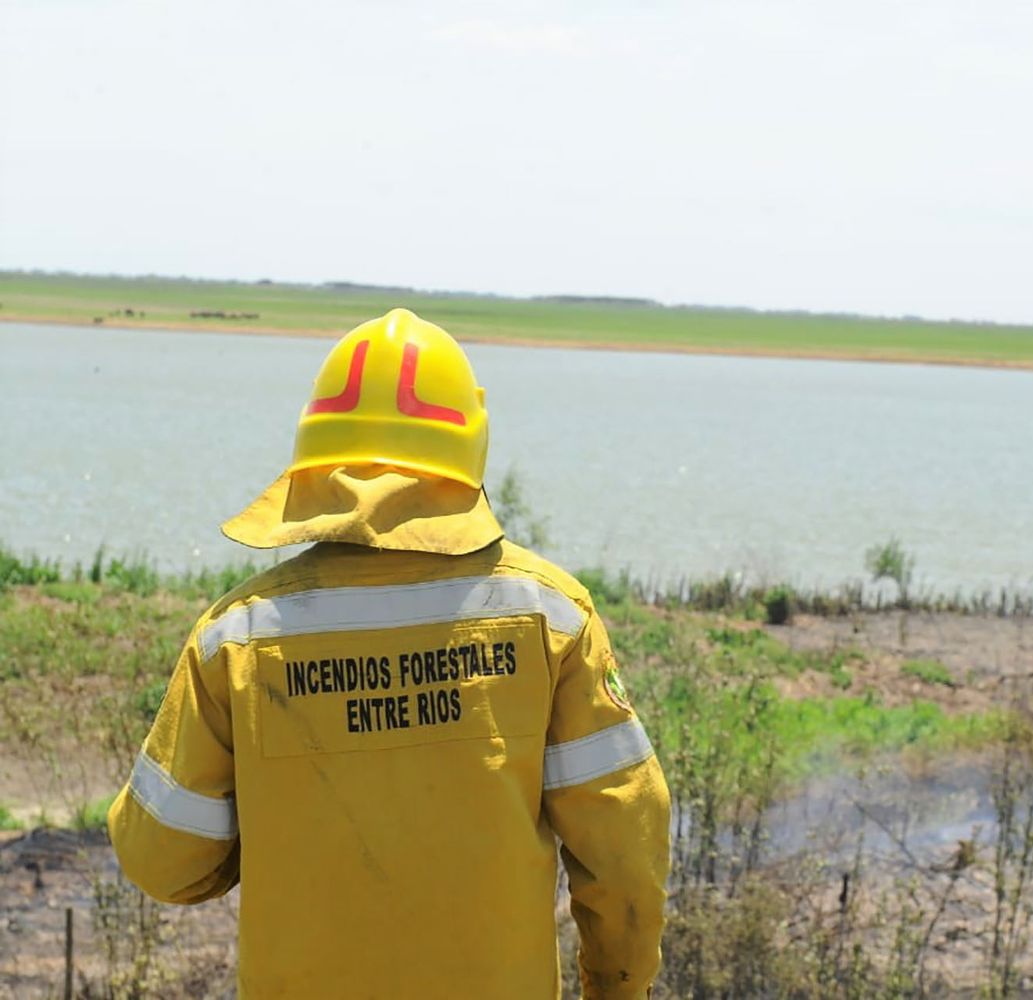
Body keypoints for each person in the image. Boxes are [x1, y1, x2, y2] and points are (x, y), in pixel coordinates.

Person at [107, 308, 671, 998]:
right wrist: (616, 984)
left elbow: (160, 860)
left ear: (315, 452)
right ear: (471, 443)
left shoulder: (238, 637)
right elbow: (625, 850)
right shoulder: (548, 615)